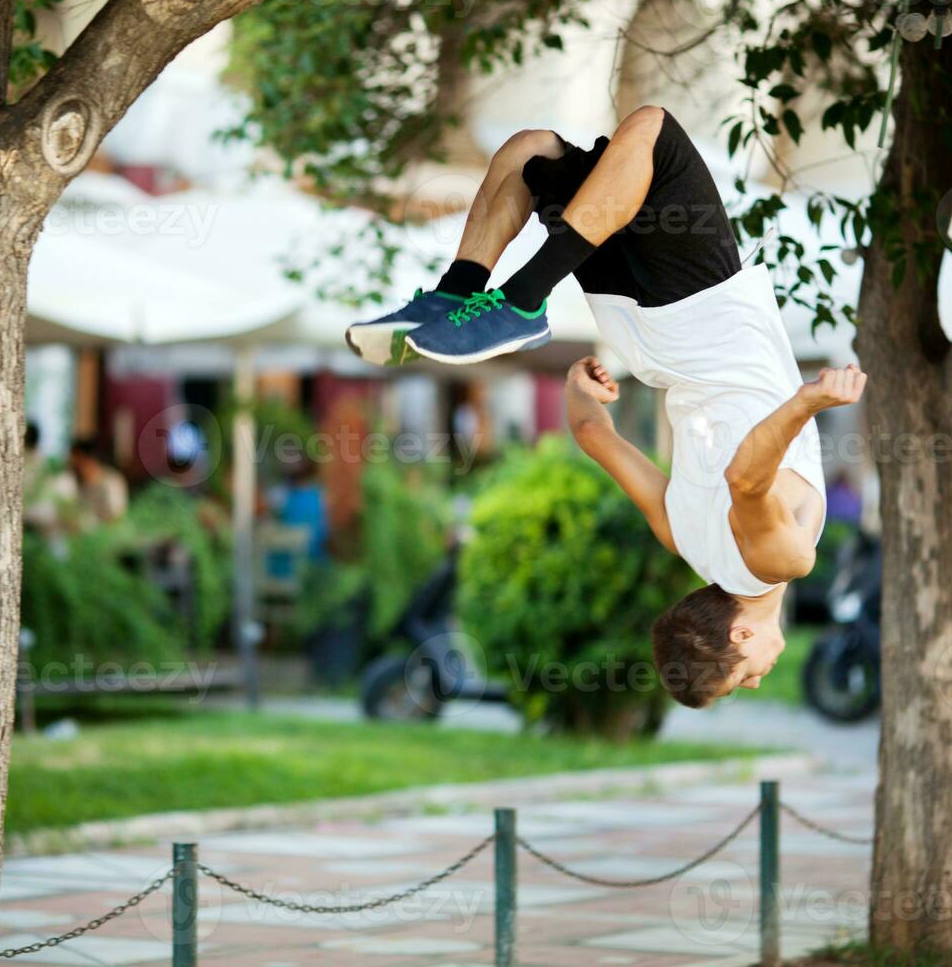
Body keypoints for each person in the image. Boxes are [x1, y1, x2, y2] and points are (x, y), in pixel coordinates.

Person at [348, 106, 867, 706]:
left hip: (700, 313)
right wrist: (578, 386)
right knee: (532, 152)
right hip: (640, 341)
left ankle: (518, 300)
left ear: (739, 632)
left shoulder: (781, 562)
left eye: (741, 675)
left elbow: (747, 478)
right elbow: (593, 435)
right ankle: (454, 295)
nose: (756, 677)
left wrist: (809, 402)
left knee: (652, 130)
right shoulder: (684, 540)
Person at [68, 438, 129, 527]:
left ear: (88, 460)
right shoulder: (80, 484)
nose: (72, 466)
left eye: (76, 462)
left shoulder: (111, 481)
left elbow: (116, 518)